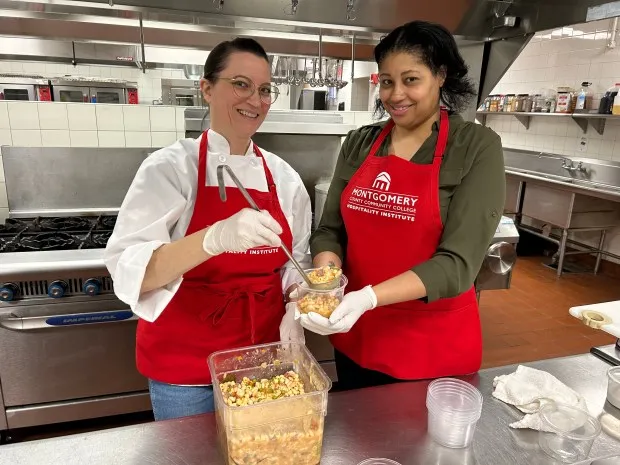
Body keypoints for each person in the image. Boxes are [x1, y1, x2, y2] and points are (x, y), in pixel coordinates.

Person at [104, 38, 310, 420]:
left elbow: (294, 264)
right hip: (186, 366)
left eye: (265, 89)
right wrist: (214, 238)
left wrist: (296, 306)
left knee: (262, 455)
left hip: (263, 359)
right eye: (241, 84)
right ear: (207, 88)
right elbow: (130, 274)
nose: (255, 100)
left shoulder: (285, 178)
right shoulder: (169, 169)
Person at [301, 21, 506, 390]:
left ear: (440, 75)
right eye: (386, 81)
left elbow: (458, 264)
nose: (396, 95)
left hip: (429, 347)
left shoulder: (476, 146)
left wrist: (369, 297)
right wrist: (326, 285)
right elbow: (330, 230)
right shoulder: (360, 144)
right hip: (357, 336)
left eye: (411, 79)